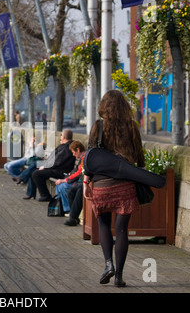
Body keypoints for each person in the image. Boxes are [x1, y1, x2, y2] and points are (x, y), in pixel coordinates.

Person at [83, 90, 145, 288]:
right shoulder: (132, 127)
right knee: (122, 230)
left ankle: (108, 264)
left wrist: (86, 181)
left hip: (102, 185)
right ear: (124, 107)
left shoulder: (98, 126)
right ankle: (119, 276)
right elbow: (139, 157)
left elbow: (90, 156)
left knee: (103, 225)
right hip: (125, 184)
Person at [28, 129, 76, 202]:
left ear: (63, 137)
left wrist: (45, 167)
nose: (60, 137)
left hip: (61, 171)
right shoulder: (65, 146)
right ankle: (31, 192)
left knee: (36, 174)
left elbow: (57, 162)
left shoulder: (67, 147)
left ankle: (45, 195)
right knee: (34, 170)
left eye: (61, 135)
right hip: (57, 168)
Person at [54, 141, 85, 214]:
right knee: (59, 185)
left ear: (78, 150)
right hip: (77, 180)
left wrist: (65, 180)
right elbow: (77, 170)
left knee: (63, 186)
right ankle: (60, 208)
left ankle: (68, 209)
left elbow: (79, 173)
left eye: (74, 152)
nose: (73, 155)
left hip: (78, 181)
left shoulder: (84, 157)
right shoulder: (83, 156)